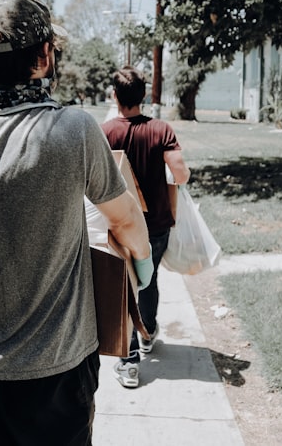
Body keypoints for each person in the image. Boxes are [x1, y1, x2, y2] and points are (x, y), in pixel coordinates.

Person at [0, 0, 153, 445]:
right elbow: (128, 224)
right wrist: (143, 264)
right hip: (55, 380)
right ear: (43, 56)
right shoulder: (74, 130)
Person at [101, 67, 191, 389]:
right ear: (143, 95)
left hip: (118, 224)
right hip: (155, 224)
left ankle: (129, 362)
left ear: (115, 96)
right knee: (148, 279)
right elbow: (180, 174)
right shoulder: (160, 130)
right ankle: (148, 331)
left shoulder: (105, 132)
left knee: (125, 286)